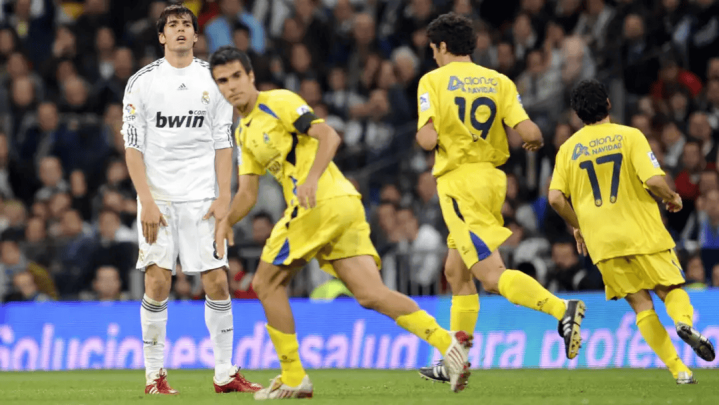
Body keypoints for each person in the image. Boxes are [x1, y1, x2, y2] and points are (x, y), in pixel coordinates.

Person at [210, 46, 472, 400]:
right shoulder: (243, 132)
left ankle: (293, 376)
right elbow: (247, 193)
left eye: (236, 76)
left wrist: (311, 179)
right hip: (341, 206)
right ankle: (448, 344)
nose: (231, 86)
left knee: (265, 284)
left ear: (251, 76)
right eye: (222, 81)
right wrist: (226, 221)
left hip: (320, 202)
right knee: (371, 295)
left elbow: (330, 135)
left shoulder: (278, 102)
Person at [414, 13, 586, 383]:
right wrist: (533, 141)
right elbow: (531, 132)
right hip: (493, 180)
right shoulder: (499, 80)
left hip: (460, 184)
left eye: (433, 49)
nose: (433, 56)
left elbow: (427, 138)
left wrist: (430, 136)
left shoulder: (433, 81)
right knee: (456, 272)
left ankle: (562, 309)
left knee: (490, 276)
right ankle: (456, 359)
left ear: (442, 46)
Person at [121, 5, 260, 395]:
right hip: (159, 198)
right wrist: (146, 200)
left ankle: (224, 373)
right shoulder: (142, 83)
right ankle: (154, 375)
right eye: (172, 25)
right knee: (157, 282)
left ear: (196, 36)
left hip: (202, 197)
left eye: (186, 25)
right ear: (162, 36)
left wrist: (224, 198)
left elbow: (223, 142)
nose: (180, 30)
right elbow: (133, 148)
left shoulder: (212, 79)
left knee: (217, 280)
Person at [548, 79, 715, 384]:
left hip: (602, 243)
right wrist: (672, 197)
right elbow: (653, 180)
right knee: (671, 290)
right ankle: (683, 323)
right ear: (608, 103)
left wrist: (579, 226)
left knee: (641, 306)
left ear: (577, 114)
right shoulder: (629, 136)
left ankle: (680, 370)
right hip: (642, 232)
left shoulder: (567, 150)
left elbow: (556, 198)